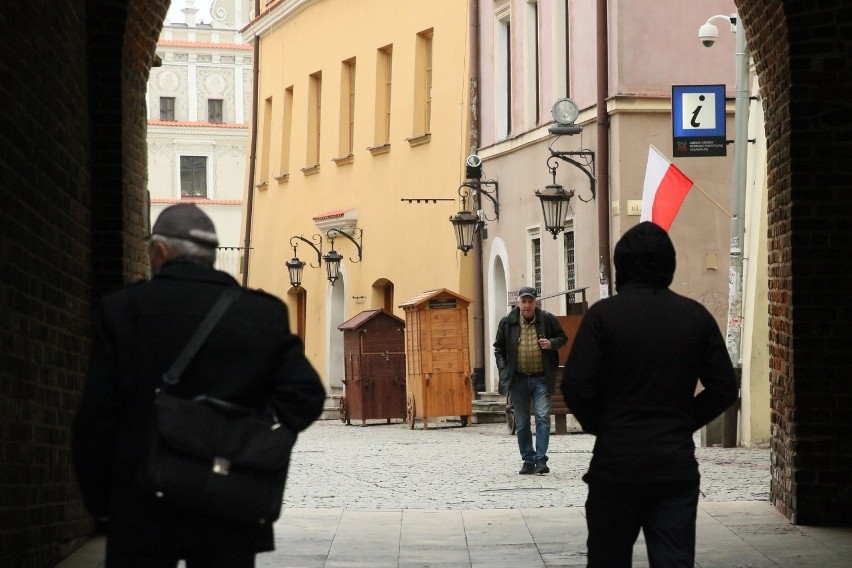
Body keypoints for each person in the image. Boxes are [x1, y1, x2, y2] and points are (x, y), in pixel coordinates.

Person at [72, 203, 326, 568]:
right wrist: (252, 439)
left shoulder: (123, 309)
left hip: (142, 497)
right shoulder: (260, 312)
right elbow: (305, 395)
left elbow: (96, 417)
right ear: (209, 255)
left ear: (159, 251)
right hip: (229, 494)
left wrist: (101, 503)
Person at [561, 221, 738, 567]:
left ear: (621, 266)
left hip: (616, 463)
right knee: (673, 559)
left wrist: (607, 425)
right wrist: (684, 419)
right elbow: (723, 387)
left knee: (608, 559)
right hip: (672, 463)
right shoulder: (694, 318)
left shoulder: (603, 318)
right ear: (669, 266)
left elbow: (576, 386)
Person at [494, 286, 568, 474]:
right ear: (518, 303)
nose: (527, 305)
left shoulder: (546, 319)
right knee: (522, 421)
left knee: (543, 417)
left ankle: (541, 460)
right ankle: (528, 460)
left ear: (536, 302)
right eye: (524, 301)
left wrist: (551, 344)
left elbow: (563, 337)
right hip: (518, 379)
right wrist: (504, 370)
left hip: (541, 378)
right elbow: (499, 349)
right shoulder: (508, 322)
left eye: (530, 301)